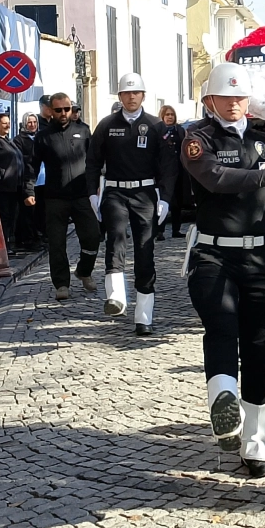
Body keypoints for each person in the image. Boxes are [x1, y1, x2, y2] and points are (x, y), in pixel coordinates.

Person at [182, 63, 265, 478]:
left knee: (258, 350)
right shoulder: (197, 139)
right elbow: (215, 178)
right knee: (221, 328)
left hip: (262, 258)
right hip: (215, 255)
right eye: (225, 97)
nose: (233, 104)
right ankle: (223, 402)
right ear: (210, 100)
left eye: (240, 97)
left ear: (249, 100)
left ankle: (256, 442)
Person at [88, 73, 179, 334]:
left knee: (145, 249)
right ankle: (115, 297)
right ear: (119, 96)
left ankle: (143, 315)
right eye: (126, 93)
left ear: (143, 96)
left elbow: (169, 166)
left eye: (135, 93)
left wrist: (166, 198)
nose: (131, 97)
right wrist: (93, 194)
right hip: (115, 191)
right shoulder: (106, 125)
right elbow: (93, 161)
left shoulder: (155, 126)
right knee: (115, 238)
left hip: (146, 192)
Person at [32, 92, 102, 301]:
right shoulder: (43, 136)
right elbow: (33, 165)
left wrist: (96, 185)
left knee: (92, 236)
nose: (63, 113)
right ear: (50, 111)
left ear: (71, 109)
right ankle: (61, 283)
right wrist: (29, 190)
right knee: (56, 242)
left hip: (82, 195)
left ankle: (84, 270)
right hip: (55, 197)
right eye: (58, 110)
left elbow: (94, 161)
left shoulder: (83, 130)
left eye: (67, 109)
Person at [0, 113, 33, 254]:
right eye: (4, 123)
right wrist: (1, 173)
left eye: (8, 123)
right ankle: (2, 246)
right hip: (1, 187)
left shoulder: (8, 141)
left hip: (14, 187)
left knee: (11, 217)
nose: (8, 125)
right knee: (3, 216)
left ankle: (8, 243)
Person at [159, 105, 189, 239]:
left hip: (179, 170)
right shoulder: (158, 131)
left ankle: (176, 230)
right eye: (167, 115)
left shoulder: (180, 130)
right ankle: (159, 231)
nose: (170, 117)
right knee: (164, 201)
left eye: (172, 114)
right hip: (164, 172)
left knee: (178, 202)